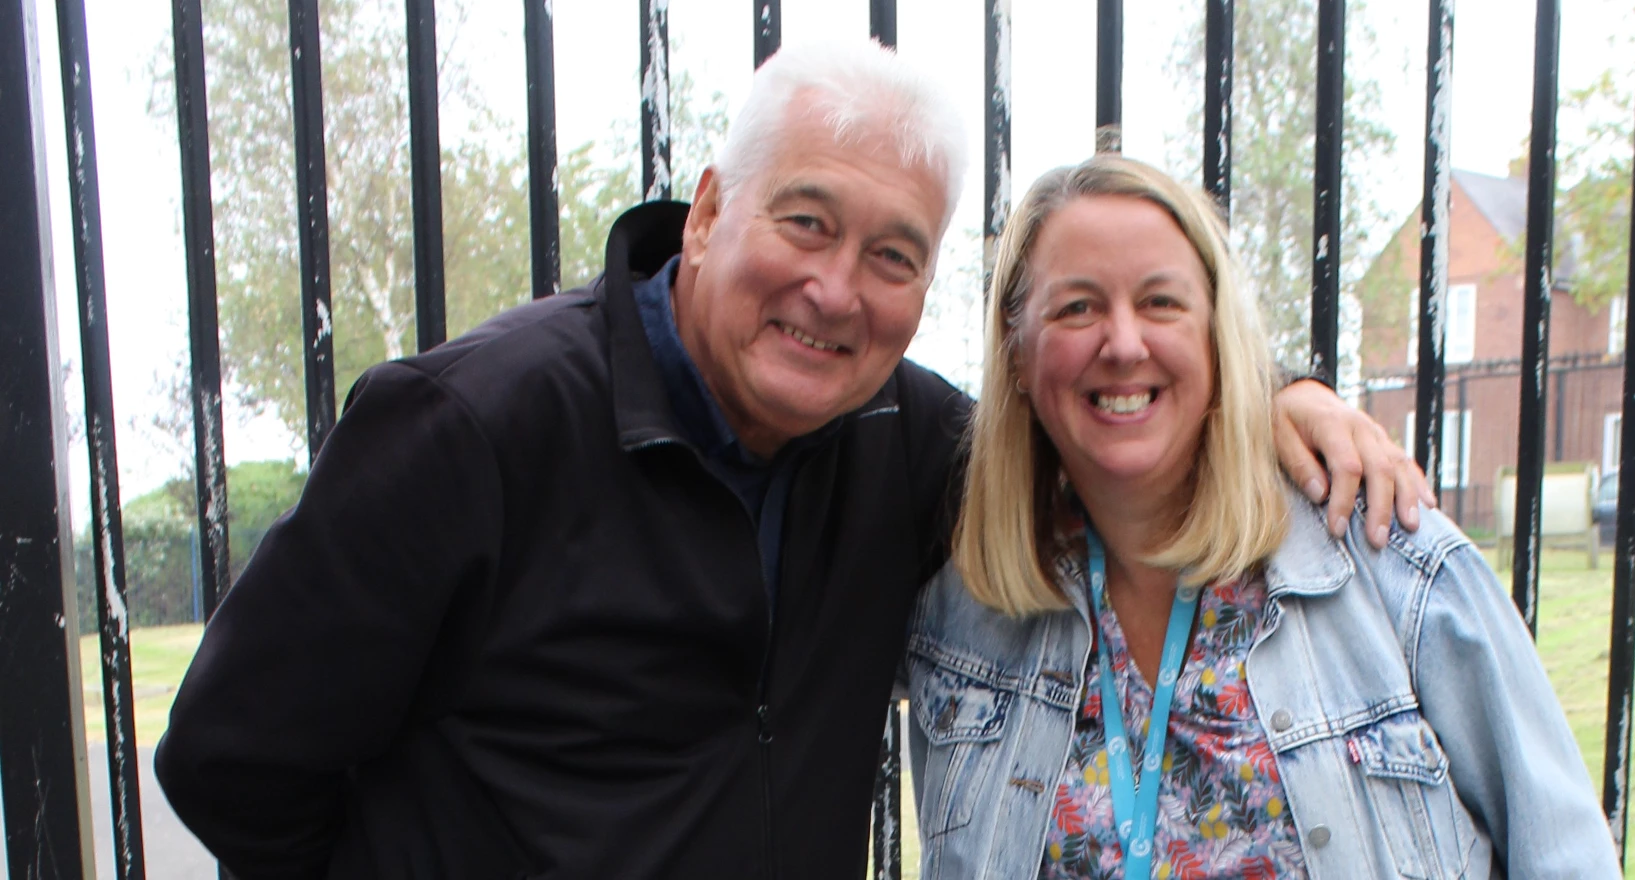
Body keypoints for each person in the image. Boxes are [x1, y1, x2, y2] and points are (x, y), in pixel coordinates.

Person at [154, 42, 1428, 880]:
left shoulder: (908, 443)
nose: (833, 290)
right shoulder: (471, 428)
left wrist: (1277, 392)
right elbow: (234, 761)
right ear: (707, 211)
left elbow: (1101, 400)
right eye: (804, 221)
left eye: (891, 255)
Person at [906, 155, 1619, 879]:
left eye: (1161, 302)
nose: (1122, 343)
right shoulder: (964, 615)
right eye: (1077, 307)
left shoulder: (1387, 560)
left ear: (1218, 335)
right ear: (1017, 350)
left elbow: (1567, 858)